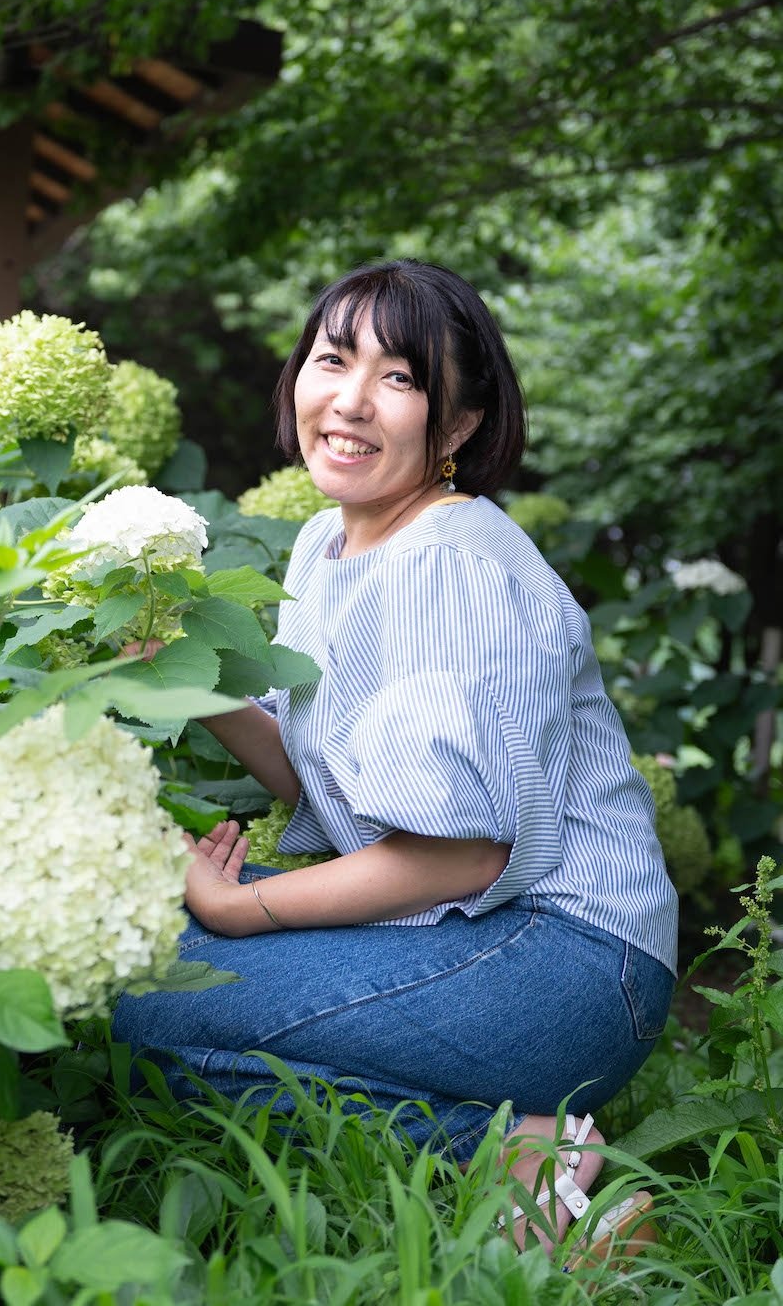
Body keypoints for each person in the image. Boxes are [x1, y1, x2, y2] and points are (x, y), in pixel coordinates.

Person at [112, 259, 677, 1263]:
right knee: (150, 988)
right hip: (488, 934)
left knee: (159, 999)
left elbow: (459, 855)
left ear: (456, 428)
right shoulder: (325, 547)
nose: (352, 399)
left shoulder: (451, 564)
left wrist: (243, 909)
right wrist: (178, 675)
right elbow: (334, 779)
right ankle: (525, 1153)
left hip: (572, 957)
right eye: (334, 359)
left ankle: (530, 1167)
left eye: (401, 378)